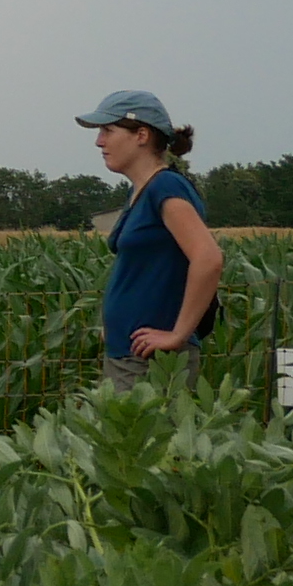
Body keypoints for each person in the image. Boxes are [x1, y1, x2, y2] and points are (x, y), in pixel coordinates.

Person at [87, 88, 221, 386]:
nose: (99, 141)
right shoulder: (142, 190)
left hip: (152, 363)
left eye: (108, 130)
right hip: (132, 355)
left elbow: (208, 258)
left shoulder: (165, 188)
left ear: (142, 135)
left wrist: (177, 335)